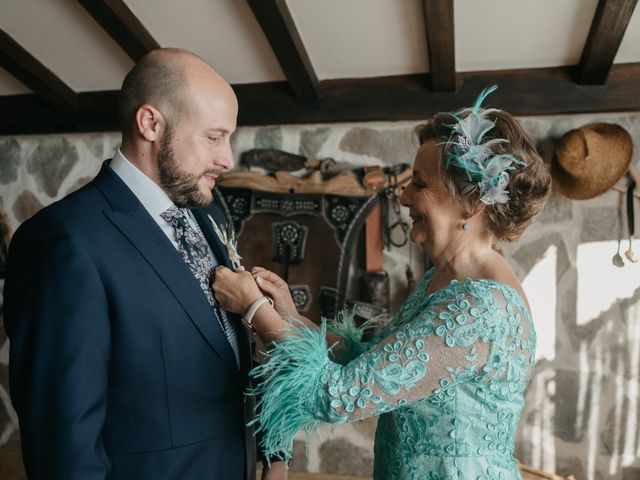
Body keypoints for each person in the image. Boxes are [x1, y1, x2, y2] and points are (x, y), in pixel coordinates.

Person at [212, 86, 551, 479]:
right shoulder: (440, 282)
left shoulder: (479, 309)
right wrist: (286, 315)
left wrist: (254, 310)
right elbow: (369, 361)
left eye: (420, 185)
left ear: (472, 203)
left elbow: (339, 395)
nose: (405, 197)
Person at [3, 48, 286, 480]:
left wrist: (272, 454)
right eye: (213, 137)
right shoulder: (62, 241)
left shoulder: (209, 213)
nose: (228, 159)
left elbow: (233, 354)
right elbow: (64, 442)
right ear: (150, 123)